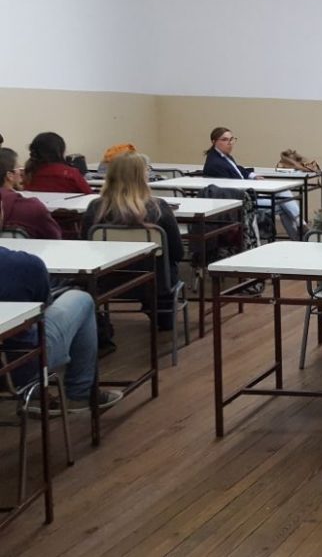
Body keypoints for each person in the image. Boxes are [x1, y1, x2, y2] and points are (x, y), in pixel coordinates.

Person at [0, 232, 124, 413]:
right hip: (19, 365)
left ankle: (36, 394)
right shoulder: (24, 265)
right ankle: (80, 394)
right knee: (81, 299)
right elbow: (43, 309)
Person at [81, 153, 184, 332]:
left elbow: (84, 247)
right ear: (142, 177)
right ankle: (159, 312)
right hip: (156, 283)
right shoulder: (158, 208)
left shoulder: (95, 208)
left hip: (108, 282)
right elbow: (177, 252)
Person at [202, 126, 304, 239]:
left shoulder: (224, 156)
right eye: (225, 140)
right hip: (242, 201)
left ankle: (300, 228)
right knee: (284, 204)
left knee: (284, 194)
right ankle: (300, 231)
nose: (230, 143)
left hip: (246, 194)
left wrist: (252, 176)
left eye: (231, 139)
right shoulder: (215, 163)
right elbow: (232, 188)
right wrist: (253, 187)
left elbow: (237, 169)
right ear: (214, 141)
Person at [0, 148, 61, 238]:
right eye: (19, 168)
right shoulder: (33, 208)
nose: (21, 172)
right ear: (10, 176)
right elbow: (55, 238)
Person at [23, 132, 91, 194]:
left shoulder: (28, 174)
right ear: (60, 151)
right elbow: (90, 196)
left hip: (36, 207)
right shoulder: (70, 174)